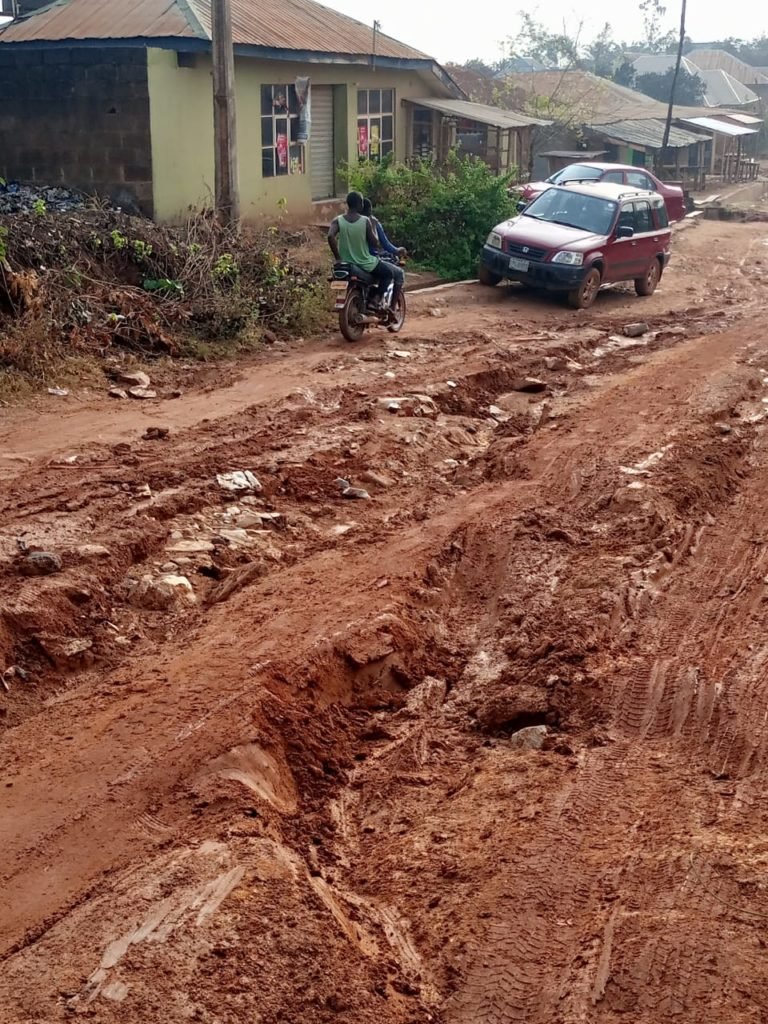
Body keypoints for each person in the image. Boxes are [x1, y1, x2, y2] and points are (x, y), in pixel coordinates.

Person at [328, 191, 396, 309]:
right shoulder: (365, 221)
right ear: (360, 204)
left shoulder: (338, 220)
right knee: (388, 273)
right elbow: (375, 243)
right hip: (365, 262)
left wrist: (338, 258)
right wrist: (374, 227)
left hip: (345, 263)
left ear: (348, 204)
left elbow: (330, 236)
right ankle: (375, 299)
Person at [361, 197, 405, 310]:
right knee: (397, 273)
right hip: (369, 260)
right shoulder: (373, 222)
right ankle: (386, 304)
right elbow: (385, 244)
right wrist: (398, 250)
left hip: (354, 260)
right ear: (370, 209)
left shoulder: (351, 222)